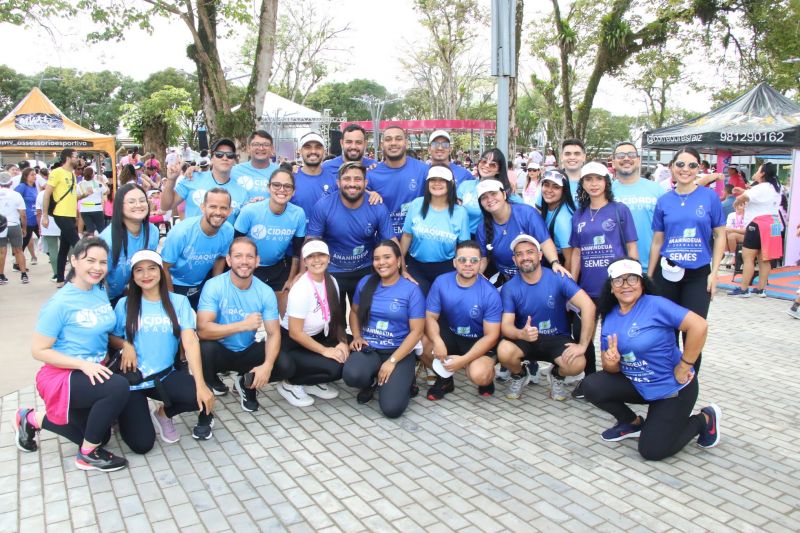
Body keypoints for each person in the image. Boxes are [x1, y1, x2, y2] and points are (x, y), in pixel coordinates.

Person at [581, 258, 722, 460]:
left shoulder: (656, 305)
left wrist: (685, 364)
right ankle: (632, 423)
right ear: (611, 287)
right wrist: (611, 362)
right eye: (619, 280)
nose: (626, 285)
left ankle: (704, 419)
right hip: (639, 384)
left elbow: (699, 326)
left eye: (632, 279)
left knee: (652, 451)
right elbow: (609, 368)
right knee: (591, 386)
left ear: (642, 283)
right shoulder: (610, 315)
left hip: (673, 388)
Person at [15, 238, 129, 472]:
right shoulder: (60, 303)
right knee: (117, 386)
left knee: (99, 434)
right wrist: (84, 365)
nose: (97, 267)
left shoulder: (98, 289)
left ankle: (30, 419)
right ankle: (87, 455)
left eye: (102, 262)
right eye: (90, 261)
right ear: (74, 260)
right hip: (62, 376)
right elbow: (38, 350)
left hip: (91, 373)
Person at [110, 250, 216, 447]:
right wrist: (126, 344)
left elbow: (190, 341)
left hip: (164, 376)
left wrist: (200, 384)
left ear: (160, 271)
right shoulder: (124, 304)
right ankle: (123, 413)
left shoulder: (178, 302)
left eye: (151, 269)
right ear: (133, 276)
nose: (146, 275)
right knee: (142, 445)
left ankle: (163, 414)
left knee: (202, 394)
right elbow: (111, 337)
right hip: (132, 381)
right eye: (139, 270)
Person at [196, 237, 295, 408]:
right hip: (219, 351)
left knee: (286, 364)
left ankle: (246, 383)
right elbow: (203, 330)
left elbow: (273, 333)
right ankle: (210, 381)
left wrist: (267, 366)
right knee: (204, 348)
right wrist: (242, 325)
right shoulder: (214, 286)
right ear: (229, 260)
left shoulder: (265, 292)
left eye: (249, 257)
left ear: (257, 261)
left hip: (247, 351)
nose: (244, 261)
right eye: (238, 256)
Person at [497, 235, 596, 401]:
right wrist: (521, 334)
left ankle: (557, 375)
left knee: (578, 363)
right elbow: (506, 326)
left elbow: (589, 306)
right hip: (526, 338)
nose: (525, 257)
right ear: (514, 260)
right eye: (519, 254)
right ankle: (519, 374)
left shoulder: (558, 278)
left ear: (540, 255)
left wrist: (583, 345)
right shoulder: (510, 287)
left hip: (556, 338)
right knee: (504, 351)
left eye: (530, 252)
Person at [648, 148, 724, 354]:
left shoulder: (709, 197)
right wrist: (649, 276)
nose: (685, 169)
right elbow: (657, 241)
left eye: (692, 165)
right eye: (680, 164)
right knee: (665, 333)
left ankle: (688, 381)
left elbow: (720, 236)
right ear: (672, 167)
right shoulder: (664, 200)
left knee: (693, 334)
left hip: (698, 274)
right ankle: (667, 383)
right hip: (666, 273)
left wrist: (715, 272)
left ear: (699, 168)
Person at [343, 240, 425, 418]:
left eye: (387, 257)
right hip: (370, 348)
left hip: (398, 352)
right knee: (352, 375)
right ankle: (371, 382)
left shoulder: (411, 290)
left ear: (398, 261)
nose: (381, 263)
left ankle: (406, 380)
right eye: (376, 258)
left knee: (392, 409)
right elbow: (355, 312)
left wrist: (392, 361)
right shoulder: (366, 282)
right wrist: (356, 336)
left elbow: (417, 332)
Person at [306, 161, 396, 316]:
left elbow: (391, 242)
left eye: (358, 179)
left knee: (366, 318)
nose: (352, 184)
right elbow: (310, 244)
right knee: (334, 324)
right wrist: (303, 274)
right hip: (332, 270)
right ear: (338, 182)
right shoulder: (323, 206)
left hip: (365, 269)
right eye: (347, 179)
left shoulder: (377, 205)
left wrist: (402, 271)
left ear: (365, 183)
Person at [423, 240, 502, 400]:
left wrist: (463, 361)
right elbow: (430, 317)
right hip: (452, 333)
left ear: (480, 264)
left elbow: (492, 336)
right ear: (454, 262)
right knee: (422, 342)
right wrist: (437, 341)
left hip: (477, 339)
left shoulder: (490, 293)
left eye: (473, 260)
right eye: (462, 260)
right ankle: (445, 378)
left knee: (479, 374)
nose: (468, 264)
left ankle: (487, 378)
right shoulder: (441, 282)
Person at [276, 240, 348, 407]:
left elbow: (337, 318)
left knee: (349, 352)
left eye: (321, 255)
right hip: (293, 343)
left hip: (318, 336)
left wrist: (342, 343)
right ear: (305, 261)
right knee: (335, 367)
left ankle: (312, 382)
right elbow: (295, 333)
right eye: (311, 257)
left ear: (328, 258)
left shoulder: (332, 281)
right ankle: (290, 384)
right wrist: (325, 351)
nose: (316, 260)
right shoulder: (301, 288)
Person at [234, 168, 305, 311]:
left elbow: (298, 252)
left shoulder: (298, 214)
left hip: (278, 268)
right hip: (249, 268)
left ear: (293, 191)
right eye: (276, 185)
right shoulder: (250, 211)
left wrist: (291, 279)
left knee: (282, 316)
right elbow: (235, 246)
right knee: (248, 315)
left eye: (287, 186)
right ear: (268, 188)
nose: (282, 190)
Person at [475, 179, 569, 282]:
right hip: (507, 280)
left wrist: (555, 262)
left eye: (493, 193)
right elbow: (484, 256)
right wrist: (478, 272)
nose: (489, 199)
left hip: (535, 275)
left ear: (504, 194)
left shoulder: (526, 213)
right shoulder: (482, 227)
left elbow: (544, 241)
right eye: (484, 197)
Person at [400, 165, 470, 295]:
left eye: (442, 180)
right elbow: (406, 237)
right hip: (417, 268)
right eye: (433, 180)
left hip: (447, 269)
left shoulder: (460, 212)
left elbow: (464, 247)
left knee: (443, 311)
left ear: (451, 184)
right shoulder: (416, 204)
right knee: (418, 308)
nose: (437, 183)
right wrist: (402, 268)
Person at [161, 188, 234, 309]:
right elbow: (165, 267)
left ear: (230, 211)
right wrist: (172, 299)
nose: (218, 212)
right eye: (213, 206)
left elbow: (220, 259)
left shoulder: (228, 230)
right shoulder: (181, 233)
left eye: (223, 208)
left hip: (202, 284)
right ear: (203, 207)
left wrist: (215, 289)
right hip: (176, 284)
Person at [162, 138, 249, 224]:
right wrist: (171, 180)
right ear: (211, 159)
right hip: (193, 237)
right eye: (219, 154)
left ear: (234, 160)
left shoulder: (242, 191)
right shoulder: (193, 177)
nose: (225, 158)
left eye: (230, 155)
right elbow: (166, 206)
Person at [100, 183, 160, 306]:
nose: (138, 205)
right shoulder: (107, 240)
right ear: (119, 206)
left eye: (142, 200)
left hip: (136, 293)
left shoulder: (152, 231)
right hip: (107, 298)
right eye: (131, 202)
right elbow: (97, 278)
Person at [729, 162, 783, 297]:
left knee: (748, 257)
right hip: (774, 223)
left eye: (758, 170)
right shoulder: (776, 187)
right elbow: (758, 197)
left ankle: (744, 289)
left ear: (763, 173)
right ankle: (761, 289)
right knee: (765, 258)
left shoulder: (762, 187)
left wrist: (736, 201)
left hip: (758, 223)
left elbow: (745, 197)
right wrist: (744, 192)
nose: (756, 172)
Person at [610, 142, 664, 274]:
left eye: (631, 155)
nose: (626, 158)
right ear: (613, 162)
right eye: (621, 155)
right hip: (618, 269)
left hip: (654, 267)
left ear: (638, 160)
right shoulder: (607, 192)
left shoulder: (657, 190)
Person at [366, 126, 429, 236]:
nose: (393, 143)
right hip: (384, 244)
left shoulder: (423, 170)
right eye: (388, 139)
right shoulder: (371, 174)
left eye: (398, 139)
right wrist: (368, 193)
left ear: (406, 143)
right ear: (382, 145)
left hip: (416, 242)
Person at [457, 148, 520, 235]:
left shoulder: (504, 190)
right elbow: (455, 212)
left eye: (492, 165)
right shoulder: (466, 186)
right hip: (464, 238)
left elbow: (524, 212)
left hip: (492, 239)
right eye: (484, 161)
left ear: (499, 170)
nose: (486, 165)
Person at [42, 148, 80, 287]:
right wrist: (45, 216)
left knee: (64, 248)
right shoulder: (57, 172)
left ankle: (60, 279)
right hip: (60, 214)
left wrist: (76, 215)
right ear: (68, 158)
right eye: (76, 156)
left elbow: (72, 197)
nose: (78, 159)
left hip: (69, 215)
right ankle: (79, 276)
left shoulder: (73, 175)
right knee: (78, 245)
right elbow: (47, 195)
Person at [291, 132, 338, 220]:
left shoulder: (335, 180)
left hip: (325, 233)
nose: (313, 151)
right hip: (297, 233)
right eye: (307, 147)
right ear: (300, 151)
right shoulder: (290, 179)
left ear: (324, 151)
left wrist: (371, 194)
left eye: (318, 147)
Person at [535, 170, 575, 267]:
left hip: (559, 264)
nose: (549, 190)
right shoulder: (546, 205)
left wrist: (567, 282)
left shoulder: (562, 220)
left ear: (564, 191)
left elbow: (569, 260)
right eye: (546, 185)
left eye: (556, 187)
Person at [231, 130, 279, 199]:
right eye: (256, 144)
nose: (261, 148)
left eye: (266, 145)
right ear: (248, 148)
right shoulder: (234, 171)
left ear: (272, 149)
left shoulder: (280, 172)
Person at [0, 171, 29, 284]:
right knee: (18, 250)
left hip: (1, 226)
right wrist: (24, 228)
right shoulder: (16, 195)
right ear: (11, 182)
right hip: (13, 224)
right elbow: (23, 214)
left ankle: (1, 276)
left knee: (2, 252)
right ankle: (23, 274)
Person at [14, 168, 39, 267]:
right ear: (26, 176)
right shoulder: (21, 187)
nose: (35, 176)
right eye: (32, 175)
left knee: (43, 239)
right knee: (24, 242)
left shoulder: (34, 187)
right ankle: (17, 263)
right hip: (26, 219)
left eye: (35, 174)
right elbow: (15, 200)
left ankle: (53, 256)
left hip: (35, 218)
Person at [36, 186, 61, 281]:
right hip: (63, 221)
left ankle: (56, 274)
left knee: (52, 249)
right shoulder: (61, 191)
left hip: (47, 223)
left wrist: (39, 227)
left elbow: (38, 212)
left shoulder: (41, 194)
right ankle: (75, 273)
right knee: (69, 248)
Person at [77, 167, 107, 237]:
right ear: (93, 175)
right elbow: (106, 191)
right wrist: (102, 182)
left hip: (85, 209)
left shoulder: (80, 184)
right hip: (97, 208)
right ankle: (105, 244)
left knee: (90, 229)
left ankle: (91, 244)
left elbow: (77, 196)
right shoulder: (97, 183)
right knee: (101, 229)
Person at [722, 202, 746, 266]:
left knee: (732, 236)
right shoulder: (731, 215)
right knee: (722, 233)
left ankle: (734, 256)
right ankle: (727, 255)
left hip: (745, 236)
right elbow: (727, 227)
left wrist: (733, 230)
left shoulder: (747, 215)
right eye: (736, 205)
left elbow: (746, 231)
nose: (737, 207)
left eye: (740, 205)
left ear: (745, 207)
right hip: (733, 233)